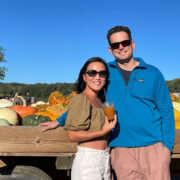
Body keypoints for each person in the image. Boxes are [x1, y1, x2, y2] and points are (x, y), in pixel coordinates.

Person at [106, 25, 175, 180]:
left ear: (133, 44)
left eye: (125, 42)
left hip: (154, 149)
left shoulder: (153, 73)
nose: (121, 47)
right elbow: (87, 98)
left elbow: (166, 111)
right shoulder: (105, 73)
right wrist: (59, 120)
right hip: (121, 149)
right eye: (116, 45)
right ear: (110, 50)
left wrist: (166, 148)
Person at [40, 57, 117, 180]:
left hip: (104, 158)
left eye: (102, 73)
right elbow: (72, 135)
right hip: (89, 162)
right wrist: (103, 131)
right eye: (92, 73)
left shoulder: (100, 101)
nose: (98, 77)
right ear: (84, 77)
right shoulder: (80, 99)